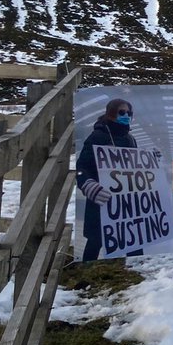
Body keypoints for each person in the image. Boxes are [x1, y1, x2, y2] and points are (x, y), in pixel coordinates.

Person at [75, 97, 139, 262]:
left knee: (134, 237)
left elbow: (135, 166)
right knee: (96, 241)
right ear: (111, 114)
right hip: (101, 199)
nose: (126, 115)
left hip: (126, 201)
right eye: (121, 112)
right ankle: (86, 276)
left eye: (129, 113)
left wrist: (151, 163)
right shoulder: (98, 136)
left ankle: (137, 277)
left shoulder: (130, 139)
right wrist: (89, 186)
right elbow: (82, 167)